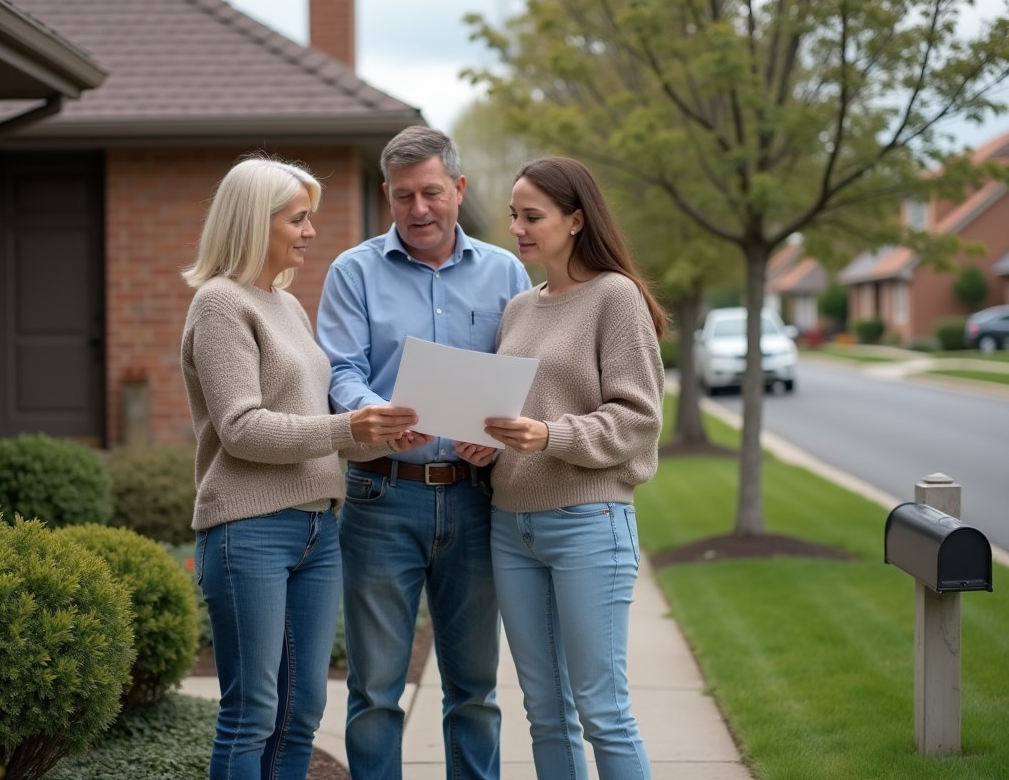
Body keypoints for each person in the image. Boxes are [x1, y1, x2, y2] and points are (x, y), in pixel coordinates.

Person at [180, 156, 427, 780]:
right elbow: (242, 428)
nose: (311, 230)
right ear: (252, 224)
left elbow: (306, 420)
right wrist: (347, 428)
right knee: (253, 713)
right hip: (249, 529)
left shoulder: (285, 305)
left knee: (303, 711)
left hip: (319, 529)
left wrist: (378, 437)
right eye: (298, 218)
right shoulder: (219, 305)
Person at [316, 126, 532, 780]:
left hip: (475, 496)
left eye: (432, 193)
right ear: (387, 194)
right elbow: (340, 370)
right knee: (376, 689)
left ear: (458, 189)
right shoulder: (352, 271)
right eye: (404, 195)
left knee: (474, 689)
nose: (419, 209)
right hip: (381, 496)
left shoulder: (506, 272)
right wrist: (370, 417)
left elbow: (523, 371)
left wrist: (495, 432)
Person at [457, 156, 666, 780]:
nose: (518, 228)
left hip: (588, 522)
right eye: (514, 216)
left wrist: (548, 435)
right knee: (544, 711)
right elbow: (517, 414)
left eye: (533, 216)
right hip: (511, 526)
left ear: (576, 220)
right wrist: (488, 443)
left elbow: (638, 419)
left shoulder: (614, 296)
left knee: (602, 710)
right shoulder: (520, 308)